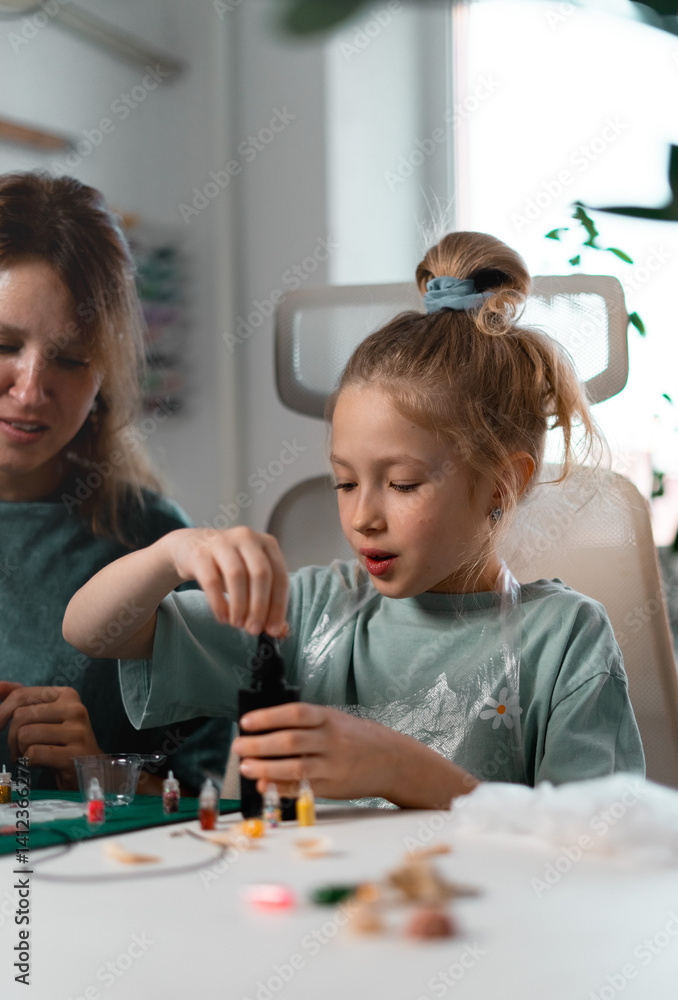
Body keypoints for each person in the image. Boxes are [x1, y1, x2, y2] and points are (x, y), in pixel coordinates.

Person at [64, 231, 645, 809]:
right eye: (344, 482)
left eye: (402, 484)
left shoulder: (565, 640)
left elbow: (597, 845)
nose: (363, 516)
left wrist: (401, 770)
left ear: (504, 483)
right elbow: (91, 631)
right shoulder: (310, 614)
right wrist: (173, 553)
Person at [0, 171, 231, 794]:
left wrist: (97, 769)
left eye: (71, 359)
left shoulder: (154, 545)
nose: (30, 391)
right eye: (2, 345)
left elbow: (210, 802)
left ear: (105, 372)